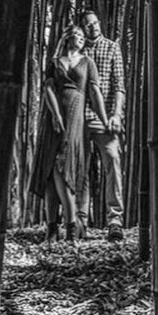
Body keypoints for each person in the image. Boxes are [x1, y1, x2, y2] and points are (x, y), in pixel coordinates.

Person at [29, 24, 109, 243]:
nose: (81, 38)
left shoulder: (88, 62)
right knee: (48, 170)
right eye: (77, 34)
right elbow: (48, 89)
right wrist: (55, 115)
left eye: (83, 36)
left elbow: (94, 92)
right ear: (67, 37)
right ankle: (52, 230)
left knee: (62, 164)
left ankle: (71, 228)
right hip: (53, 116)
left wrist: (106, 120)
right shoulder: (54, 63)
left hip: (75, 115)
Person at [78, 8, 125, 242]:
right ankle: (79, 221)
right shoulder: (76, 49)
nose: (94, 27)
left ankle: (115, 220)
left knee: (113, 161)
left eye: (96, 23)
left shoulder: (112, 47)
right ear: (83, 29)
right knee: (80, 168)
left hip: (105, 119)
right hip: (79, 118)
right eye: (89, 25)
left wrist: (116, 115)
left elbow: (119, 87)